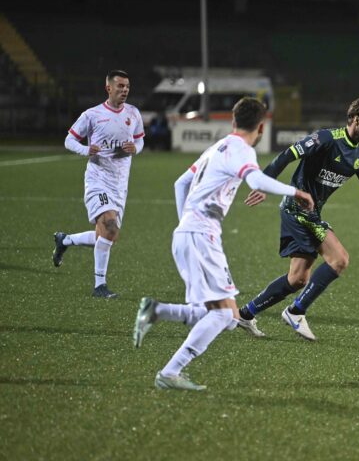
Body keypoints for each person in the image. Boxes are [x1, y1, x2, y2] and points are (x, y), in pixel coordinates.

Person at [132, 97, 313, 391]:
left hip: (190, 234)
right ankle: (170, 371)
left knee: (227, 316)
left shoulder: (217, 146)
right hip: (200, 236)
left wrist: (185, 223)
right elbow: (256, 181)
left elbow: (181, 183)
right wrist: (296, 192)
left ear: (233, 122)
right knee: (223, 314)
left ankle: (157, 311)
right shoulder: (241, 149)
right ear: (262, 127)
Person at [238, 97, 359, 341]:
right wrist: (264, 183)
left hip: (312, 213)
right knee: (339, 259)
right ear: (356, 119)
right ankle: (295, 312)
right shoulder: (326, 138)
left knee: (298, 278)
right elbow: (288, 155)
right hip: (296, 210)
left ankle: (246, 314)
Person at [52, 70, 144, 298]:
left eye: (127, 87)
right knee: (110, 227)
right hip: (98, 180)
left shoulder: (133, 113)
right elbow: (69, 139)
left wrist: (136, 148)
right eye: (120, 86)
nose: (125, 90)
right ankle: (99, 286)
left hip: (120, 184)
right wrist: (85, 149)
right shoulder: (92, 115)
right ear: (108, 88)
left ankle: (65, 240)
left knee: (107, 234)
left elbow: (140, 140)